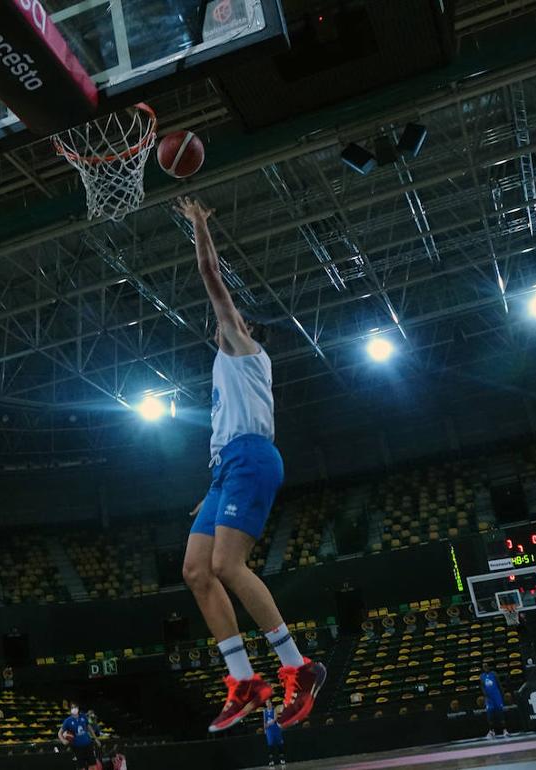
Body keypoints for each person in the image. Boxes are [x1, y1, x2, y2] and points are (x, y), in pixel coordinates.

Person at [176, 196, 326, 733]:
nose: (226, 318)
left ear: (246, 327)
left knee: (226, 566)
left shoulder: (245, 349)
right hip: (227, 469)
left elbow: (211, 275)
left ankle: (298, 667)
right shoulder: (224, 366)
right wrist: (209, 491)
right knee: (195, 569)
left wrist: (199, 226)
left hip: (252, 458)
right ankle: (245, 680)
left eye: (235, 316)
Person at [58, 702, 100, 770]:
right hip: (77, 747)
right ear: (70, 709)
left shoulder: (83, 716)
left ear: (78, 708)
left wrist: (96, 739)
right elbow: (59, 733)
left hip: (88, 745)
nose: (74, 709)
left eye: (75, 707)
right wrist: (63, 740)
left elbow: (89, 728)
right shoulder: (67, 721)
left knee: (93, 766)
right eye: (72, 707)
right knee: (81, 767)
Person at [480, 660, 508, 739]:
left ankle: (505, 730)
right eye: (483, 666)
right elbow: (482, 687)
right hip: (489, 698)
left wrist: (502, 695)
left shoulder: (494, 674)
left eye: (486, 666)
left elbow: (499, 685)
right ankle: (491, 731)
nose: (485, 667)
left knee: (500, 713)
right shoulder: (482, 676)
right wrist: (485, 696)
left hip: (497, 696)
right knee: (490, 715)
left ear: (489, 666)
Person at [261, 697, 285, 767]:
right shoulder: (264, 711)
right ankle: (271, 761)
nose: (267, 704)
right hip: (269, 730)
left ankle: (282, 759)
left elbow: (275, 719)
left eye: (268, 702)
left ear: (271, 703)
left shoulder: (274, 709)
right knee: (270, 745)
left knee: (279, 743)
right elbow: (264, 720)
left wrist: (269, 724)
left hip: (275, 728)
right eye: (266, 703)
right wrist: (265, 729)